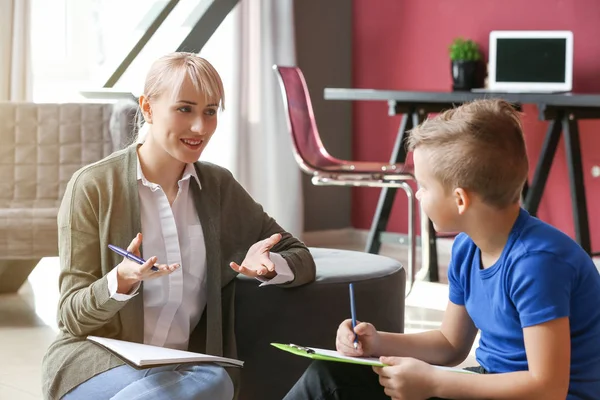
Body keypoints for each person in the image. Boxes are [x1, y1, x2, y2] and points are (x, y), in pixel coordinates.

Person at [41, 52, 316, 400]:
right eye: (185, 109)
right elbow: (71, 317)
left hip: (186, 369)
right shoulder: (93, 186)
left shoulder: (219, 188)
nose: (200, 127)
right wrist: (121, 281)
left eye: (210, 111)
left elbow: (299, 255)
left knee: (215, 379)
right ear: (148, 107)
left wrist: (269, 265)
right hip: (99, 365)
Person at [283, 99, 600, 400]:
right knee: (331, 376)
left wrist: (434, 382)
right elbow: (451, 344)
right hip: (491, 383)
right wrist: (377, 342)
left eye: (423, 186)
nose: (418, 196)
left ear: (461, 200)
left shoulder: (537, 264)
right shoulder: (467, 247)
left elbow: (548, 388)